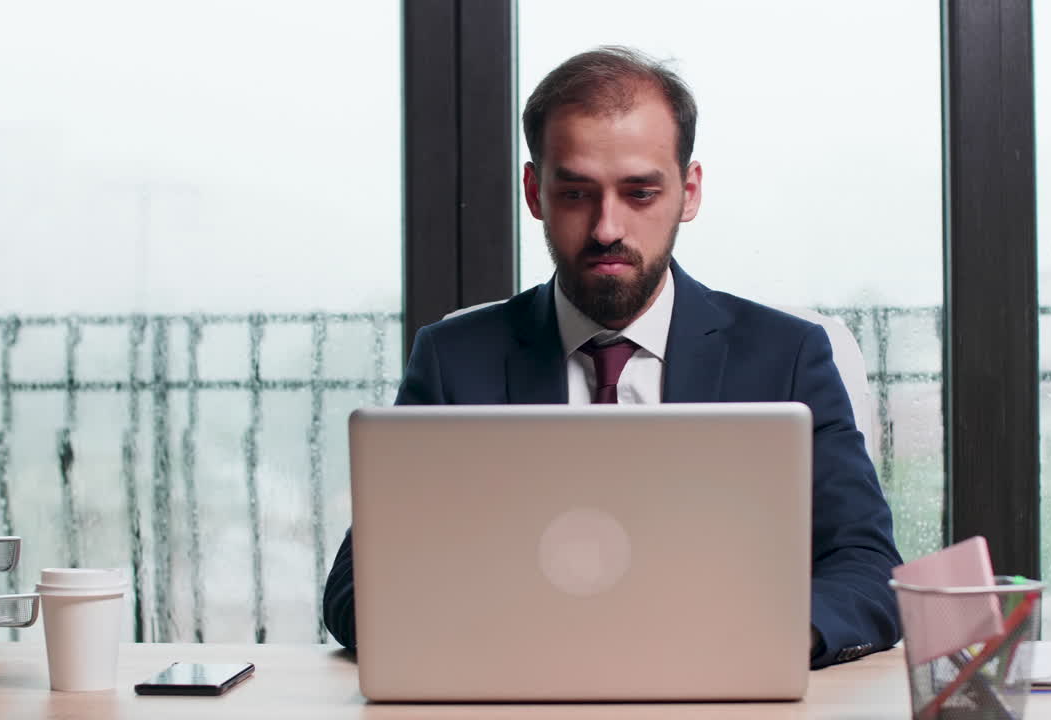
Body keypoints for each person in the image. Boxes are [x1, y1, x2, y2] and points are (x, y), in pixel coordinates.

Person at [324, 46, 902, 669]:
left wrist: (766, 637)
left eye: (640, 193)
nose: (606, 228)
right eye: (576, 193)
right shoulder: (453, 360)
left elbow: (868, 568)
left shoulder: (788, 356)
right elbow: (358, 589)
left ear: (689, 191)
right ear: (534, 192)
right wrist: (513, 635)